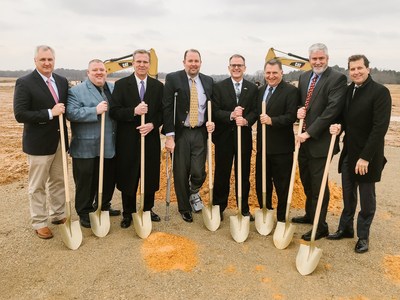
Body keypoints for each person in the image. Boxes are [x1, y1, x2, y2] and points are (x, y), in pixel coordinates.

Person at [327, 55, 391, 253]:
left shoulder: (380, 92)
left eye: (360, 68)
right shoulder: (349, 91)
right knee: (348, 194)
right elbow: (347, 119)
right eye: (352, 69)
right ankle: (345, 228)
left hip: (367, 156)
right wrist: (338, 126)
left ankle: (363, 236)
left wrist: (366, 157)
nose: (356, 72)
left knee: (366, 199)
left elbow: (379, 128)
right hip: (349, 153)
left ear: (368, 69)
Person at [292, 43, 347, 241]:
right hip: (303, 141)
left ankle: (320, 225)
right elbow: (303, 103)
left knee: (319, 185)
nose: (317, 62)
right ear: (309, 59)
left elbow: (331, 111)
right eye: (314, 59)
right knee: (307, 181)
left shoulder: (337, 79)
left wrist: (309, 133)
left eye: (320, 58)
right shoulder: (304, 77)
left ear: (327, 59)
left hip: (321, 142)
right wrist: (299, 110)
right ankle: (310, 214)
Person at [13, 45, 68, 239]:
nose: (47, 63)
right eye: (42, 59)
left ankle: (58, 214)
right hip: (38, 144)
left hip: (59, 141)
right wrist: (49, 113)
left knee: (58, 181)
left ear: (54, 60)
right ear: (35, 61)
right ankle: (39, 221)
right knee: (37, 185)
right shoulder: (25, 82)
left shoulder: (62, 81)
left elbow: (66, 108)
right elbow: (20, 114)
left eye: (50, 59)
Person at [109, 49, 163, 228]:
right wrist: (134, 111)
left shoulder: (158, 86)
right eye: (138, 61)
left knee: (149, 174)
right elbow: (114, 111)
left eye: (145, 62)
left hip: (150, 139)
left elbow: (163, 113)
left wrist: (153, 124)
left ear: (149, 64)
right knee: (128, 175)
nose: (142, 65)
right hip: (128, 140)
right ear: (133, 63)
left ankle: (147, 209)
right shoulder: (121, 85)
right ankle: (128, 212)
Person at [66, 59, 120, 229]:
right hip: (86, 146)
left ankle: (103, 205)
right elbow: (71, 113)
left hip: (109, 143)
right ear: (88, 73)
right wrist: (94, 111)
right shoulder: (76, 91)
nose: (99, 73)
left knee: (108, 178)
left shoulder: (113, 88)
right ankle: (84, 211)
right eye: (95, 70)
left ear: (106, 72)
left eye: (102, 70)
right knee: (86, 181)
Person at [162, 49, 215, 223]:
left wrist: (211, 121)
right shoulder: (173, 78)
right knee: (181, 171)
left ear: (201, 62)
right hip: (181, 132)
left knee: (198, 171)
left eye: (196, 61)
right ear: (184, 62)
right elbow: (168, 107)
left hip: (200, 131)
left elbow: (211, 106)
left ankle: (193, 192)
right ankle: (184, 207)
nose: (193, 64)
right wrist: (169, 136)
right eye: (190, 61)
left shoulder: (207, 81)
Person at [212, 54, 258, 221]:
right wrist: (231, 115)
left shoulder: (252, 88)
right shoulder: (219, 87)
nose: (236, 68)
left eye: (239, 65)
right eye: (233, 65)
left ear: (245, 68)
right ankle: (219, 206)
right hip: (224, 138)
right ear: (229, 67)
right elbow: (215, 111)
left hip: (243, 137)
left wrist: (247, 120)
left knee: (243, 173)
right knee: (221, 173)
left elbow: (255, 110)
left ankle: (243, 208)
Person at [255, 59, 298, 222]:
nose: (271, 76)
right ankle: (266, 213)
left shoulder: (291, 91)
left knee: (282, 186)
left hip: (282, 148)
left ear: (282, 73)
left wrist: (272, 120)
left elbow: (290, 116)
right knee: (262, 184)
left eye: (274, 73)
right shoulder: (260, 91)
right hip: (263, 147)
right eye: (268, 73)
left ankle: (281, 218)